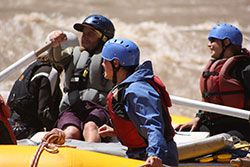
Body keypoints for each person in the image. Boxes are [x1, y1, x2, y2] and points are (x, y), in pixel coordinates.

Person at [98, 38, 178, 166]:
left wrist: (154, 154)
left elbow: (152, 125)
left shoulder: (136, 90)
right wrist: (116, 132)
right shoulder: (128, 87)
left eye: (105, 60)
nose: (102, 64)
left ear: (116, 63)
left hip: (154, 156)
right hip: (138, 153)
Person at [175, 23, 250, 142]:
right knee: (181, 133)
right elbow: (209, 100)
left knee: (222, 141)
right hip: (213, 123)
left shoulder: (245, 69)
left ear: (226, 43)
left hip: (240, 126)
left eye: (213, 41)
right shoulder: (215, 68)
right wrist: (198, 118)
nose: (209, 45)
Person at [47, 14, 114, 142]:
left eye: (91, 33)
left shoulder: (110, 58)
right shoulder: (73, 53)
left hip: (98, 107)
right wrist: (55, 44)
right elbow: (56, 58)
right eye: (84, 32)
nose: (85, 36)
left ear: (104, 38)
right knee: (71, 132)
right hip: (72, 107)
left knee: (90, 127)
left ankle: (93, 159)